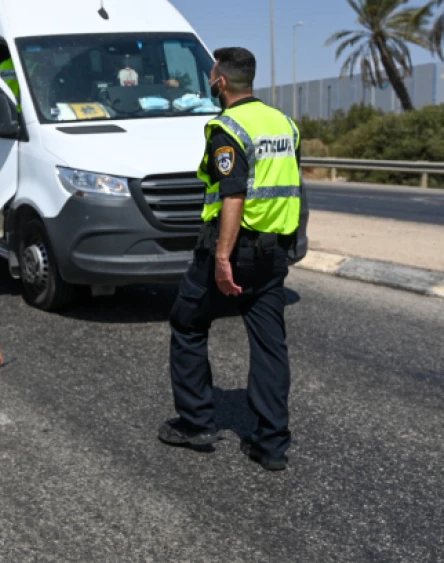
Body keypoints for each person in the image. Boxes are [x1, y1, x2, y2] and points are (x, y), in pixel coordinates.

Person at [157, 47, 302, 471]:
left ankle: (196, 424)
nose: (211, 78)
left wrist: (221, 258)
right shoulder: (284, 124)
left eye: (212, 73)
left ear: (221, 81)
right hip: (273, 254)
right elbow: (294, 188)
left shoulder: (227, 128)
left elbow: (233, 195)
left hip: (233, 251)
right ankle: (271, 444)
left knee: (187, 322)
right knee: (270, 345)